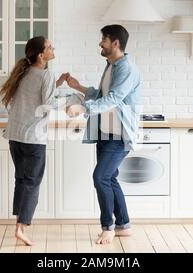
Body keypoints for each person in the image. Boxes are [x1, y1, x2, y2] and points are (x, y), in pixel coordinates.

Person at [66, 25, 141, 245]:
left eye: (104, 40)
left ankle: (107, 227)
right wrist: (78, 86)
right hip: (106, 132)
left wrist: (83, 109)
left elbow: (114, 99)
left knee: (100, 177)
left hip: (119, 135)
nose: (100, 43)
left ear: (115, 43)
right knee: (109, 177)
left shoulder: (126, 68)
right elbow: (102, 94)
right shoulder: (111, 66)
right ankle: (123, 225)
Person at [0, 36, 68, 246]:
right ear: (41, 55)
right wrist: (69, 103)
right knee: (32, 182)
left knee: (21, 179)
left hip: (15, 136)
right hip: (33, 137)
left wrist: (57, 83)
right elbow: (47, 104)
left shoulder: (24, 72)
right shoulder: (46, 74)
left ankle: (18, 223)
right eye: (49, 47)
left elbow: (35, 93)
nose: (53, 48)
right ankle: (21, 227)